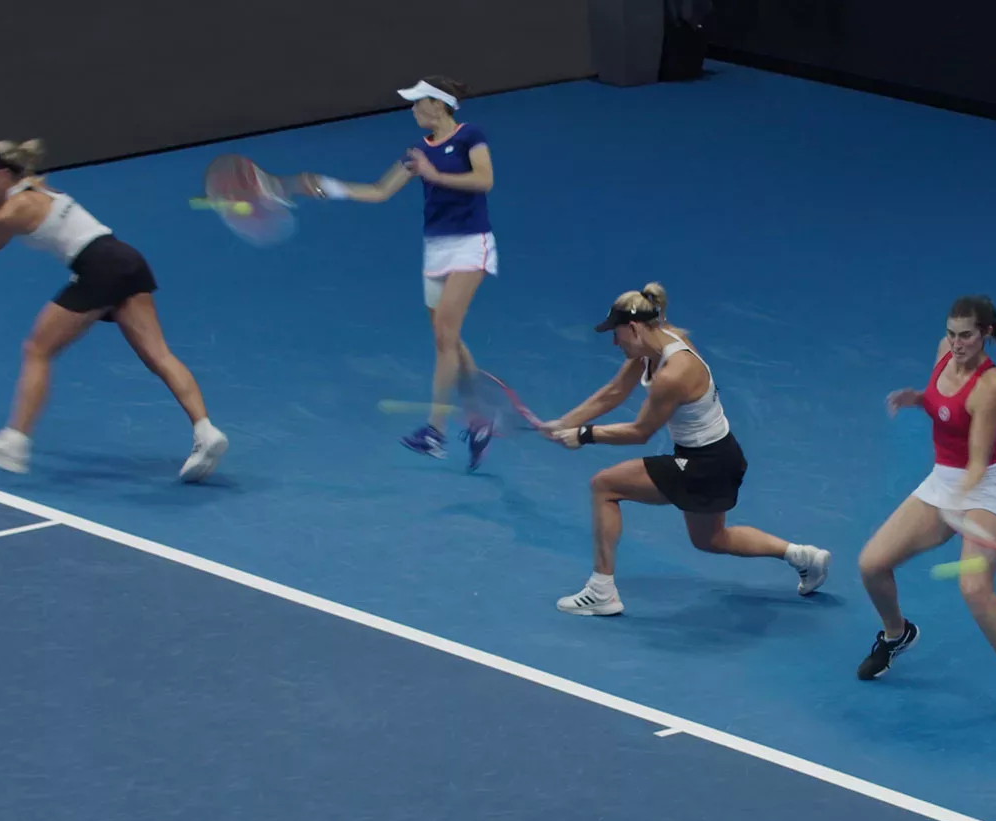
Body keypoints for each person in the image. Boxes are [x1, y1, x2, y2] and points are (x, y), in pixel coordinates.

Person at [0, 140, 227, 481]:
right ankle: (206, 431)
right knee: (159, 355)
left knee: (37, 349)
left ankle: (14, 442)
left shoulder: (12, 211)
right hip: (127, 259)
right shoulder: (33, 190)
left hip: (97, 269)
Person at [540, 284, 831, 614]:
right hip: (721, 457)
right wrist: (563, 422)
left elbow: (640, 432)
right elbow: (614, 392)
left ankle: (601, 591)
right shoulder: (657, 344)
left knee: (604, 486)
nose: (613, 342)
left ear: (634, 328)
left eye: (616, 333)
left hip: (703, 464)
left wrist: (584, 435)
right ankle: (803, 556)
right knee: (712, 540)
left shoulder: (673, 374)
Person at [854, 296, 996, 723]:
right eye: (952, 334)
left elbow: (977, 460)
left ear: (986, 334)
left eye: (967, 336)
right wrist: (918, 398)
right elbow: (943, 404)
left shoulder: (991, 387)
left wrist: (958, 502)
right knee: (871, 564)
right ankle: (897, 634)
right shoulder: (944, 351)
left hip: (989, 484)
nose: (956, 344)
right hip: (946, 479)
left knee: (974, 588)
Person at [301, 76, 499, 470]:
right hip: (436, 249)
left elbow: (485, 180)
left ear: (439, 106)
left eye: (417, 103)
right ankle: (479, 420)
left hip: (470, 244)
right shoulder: (416, 151)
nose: (412, 109)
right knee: (450, 340)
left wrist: (434, 174)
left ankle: (435, 432)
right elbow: (379, 191)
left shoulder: (469, 136)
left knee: (445, 334)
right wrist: (332, 188)